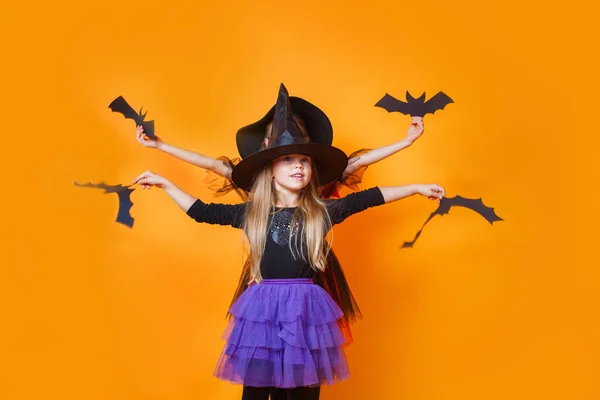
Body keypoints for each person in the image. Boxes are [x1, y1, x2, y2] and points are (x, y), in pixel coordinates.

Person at [132, 84, 445, 400]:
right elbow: (204, 211)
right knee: (256, 389)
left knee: (301, 389)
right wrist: (166, 179)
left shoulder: (321, 211)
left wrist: (414, 179)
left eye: (305, 161)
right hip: (262, 308)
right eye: (289, 160)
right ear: (268, 169)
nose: (298, 166)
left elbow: (370, 196)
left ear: (313, 168)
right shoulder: (254, 212)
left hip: (305, 309)